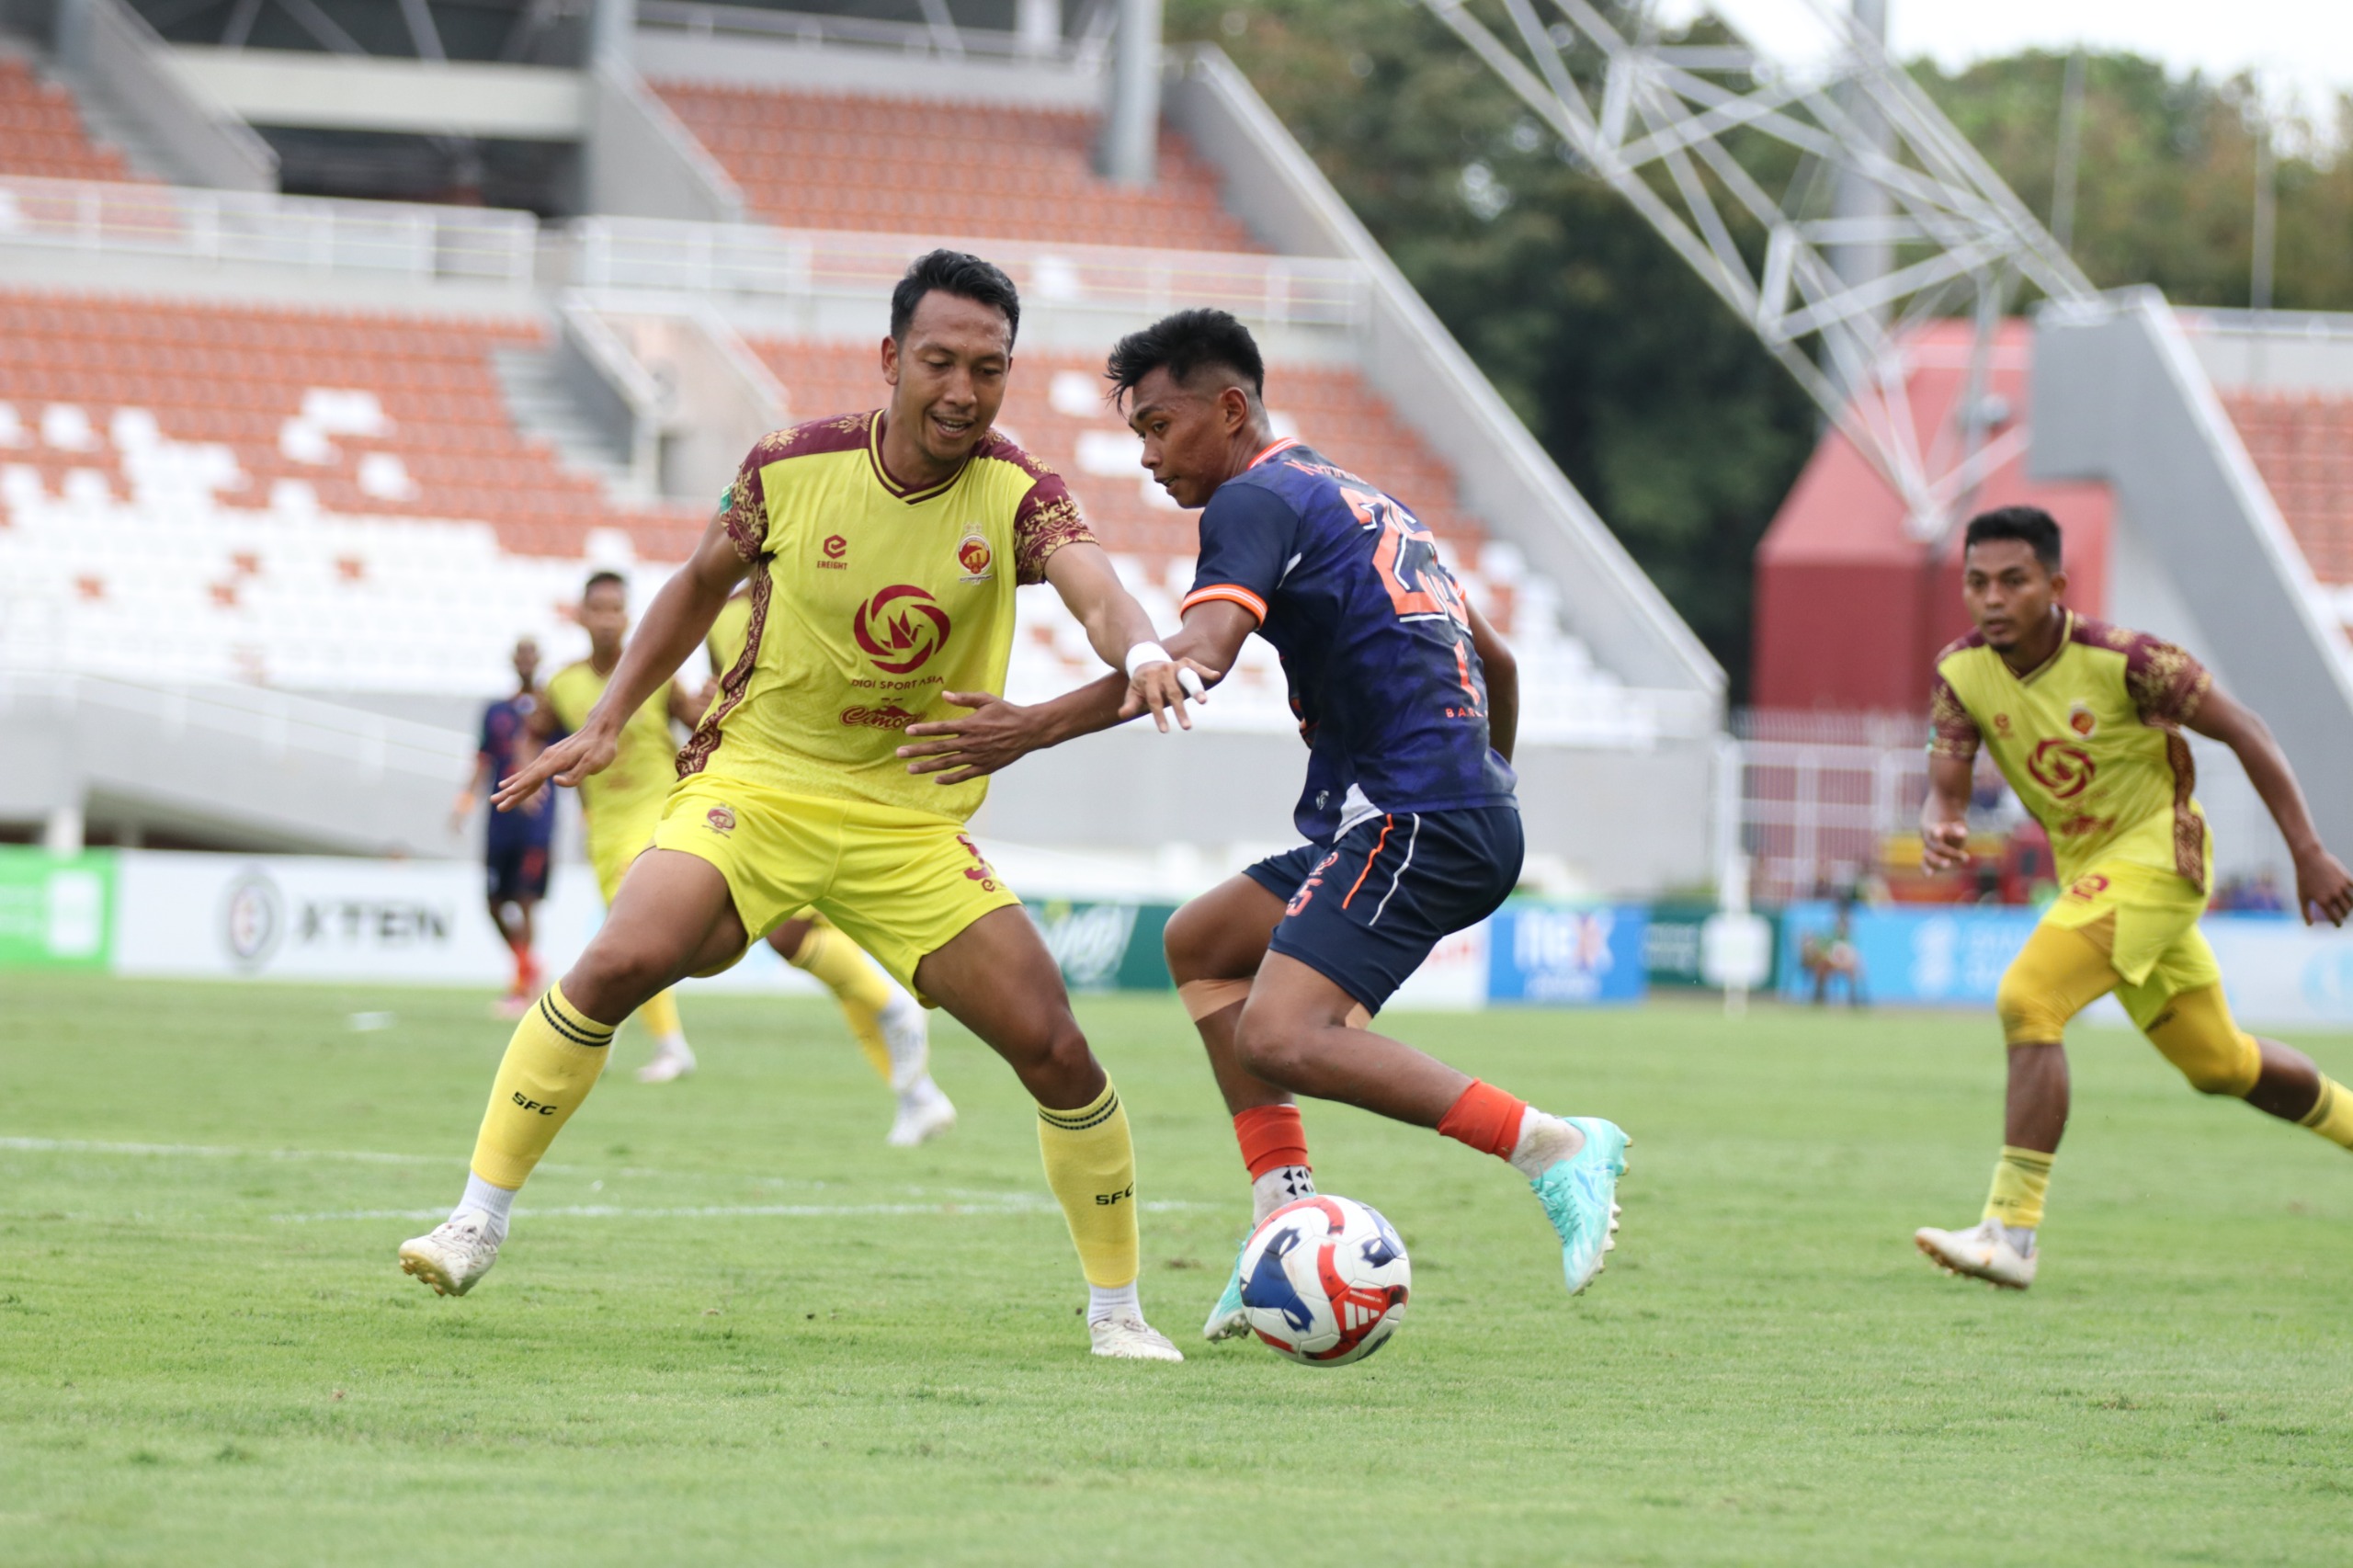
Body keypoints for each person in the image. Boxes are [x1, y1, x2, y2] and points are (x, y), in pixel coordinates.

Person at [399, 251, 1202, 1361]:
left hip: (908, 819)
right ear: (889, 359)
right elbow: (690, 585)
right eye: (939, 362)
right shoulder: (790, 464)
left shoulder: (1016, 486)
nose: (964, 391)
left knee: (1056, 1048)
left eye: (989, 368)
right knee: (620, 959)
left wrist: (1146, 643)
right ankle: (475, 1219)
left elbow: (1096, 588)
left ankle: (1118, 1311)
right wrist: (605, 716)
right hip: (757, 785)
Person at [891, 308, 1629, 1344]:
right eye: (1137, 432)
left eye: (1159, 426)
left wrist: (1031, 727)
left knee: (1283, 1033)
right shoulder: (1360, 495)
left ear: (1230, 408)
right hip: (1434, 808)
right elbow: (1496, 662)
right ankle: (1283, 1217)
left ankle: (1552, 1144)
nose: (1146, 456)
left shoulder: (1251, 499)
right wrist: (1488, 779)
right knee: (1200, 941)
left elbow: (1199, 650)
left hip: (1415, 814)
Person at [1913, 506, 2353, 1290]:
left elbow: (2248, 731)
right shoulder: (1960, 673)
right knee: (2221, 1064)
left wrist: (2309, 851)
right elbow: (1945, 792)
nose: (1991, 600)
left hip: (2161, 855)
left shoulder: (2130, 661)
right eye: (1977, 582)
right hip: (2096, 874)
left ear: (2056, 584)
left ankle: (2010, 1232)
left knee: (2029, 997)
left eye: (2013, 582)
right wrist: (1940, 824)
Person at [683, 583, 960, 1147]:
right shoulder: (722, 610)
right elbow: (721, 692)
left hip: (824, 785)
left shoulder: (825, 587)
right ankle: (917, 1097)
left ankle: (896, 1008)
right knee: (831, 967)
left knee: (787, 936)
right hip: (761, 786)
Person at [541, 571, 708, 1077]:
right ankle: (606, 1030)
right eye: (599, 609)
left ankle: (669, 1045)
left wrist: (710, 712)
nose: (609, 620)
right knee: (625, 935)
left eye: (617, 609)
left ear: (629, 616)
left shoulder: (657, 672)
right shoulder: (563, 684)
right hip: (603, 826)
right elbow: (535, 734)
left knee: (632, 926)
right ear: (581, 616)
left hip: (659, 813)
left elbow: (697, 722)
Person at [452, 637, 554, 1017]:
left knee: (526, 901)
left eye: (532, 654)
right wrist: (464, 803)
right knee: (494, 903)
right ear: (514, 661)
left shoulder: (549, 709)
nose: (526, 661)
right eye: (521, 655)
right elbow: (482, 761)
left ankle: (522, 984)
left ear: (539, 660)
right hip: (499, 820)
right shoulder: (495, 711)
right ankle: (528, 966)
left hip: (536, 823)